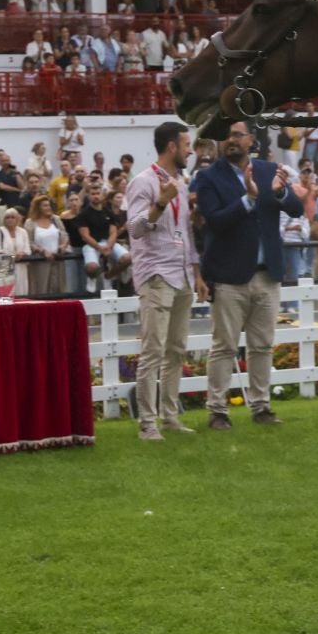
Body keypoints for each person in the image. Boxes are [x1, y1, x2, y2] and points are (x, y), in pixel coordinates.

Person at [193, 122, 301, 429]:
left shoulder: (269, 171)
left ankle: (261, 406)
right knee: (224, 346)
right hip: (228, 276)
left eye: (237, 135)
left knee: (262, 345)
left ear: (251, 139)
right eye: (226, 136)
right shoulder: (208, 177)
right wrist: (248, 200)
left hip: (267, 275)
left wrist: (280, 193)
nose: (231, 140)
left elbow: (296, 209)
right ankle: (217, 410)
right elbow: (214, 221)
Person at [125, 121, 206, 440]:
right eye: (186, 145)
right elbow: (135, 229)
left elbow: (185, 233)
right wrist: (159, 203)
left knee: (176, 349)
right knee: (153, 350)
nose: (190, 151)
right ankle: (147, 423)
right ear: (172, 147)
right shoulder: (142, 182)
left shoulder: (180, 184)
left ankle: (170, 416)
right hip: (156, 273)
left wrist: (197, 273)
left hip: (182, 273)